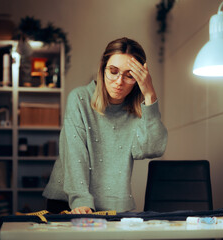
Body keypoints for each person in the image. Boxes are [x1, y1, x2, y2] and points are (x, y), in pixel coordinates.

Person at [42, 37, 168, 214]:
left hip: (113, 207)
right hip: (69, 203)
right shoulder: (79, 98)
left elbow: (152, 149)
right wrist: (80, 200)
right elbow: (75, 153)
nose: (119, 81)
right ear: (102, 69)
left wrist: (150, 94)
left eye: (129, 75)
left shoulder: (140, 112)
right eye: (113, 71)